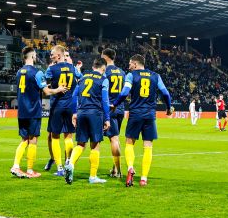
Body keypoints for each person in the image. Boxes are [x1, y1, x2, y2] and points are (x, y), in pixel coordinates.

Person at [112, 54, 172, 187]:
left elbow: (124, 93)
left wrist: (115, 104)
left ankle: (130, 168)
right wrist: (168, 108)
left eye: (129, 64)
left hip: (135, 114)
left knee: (129, 143)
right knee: (148, 146)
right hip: (150, 115)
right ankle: (144, 178)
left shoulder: (131, 75)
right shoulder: (156, 76)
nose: (129, 66)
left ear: (135, 64)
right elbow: (166, 93)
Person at [11, 46, 66, 178]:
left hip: (22, 111)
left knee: (24, 139)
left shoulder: (19, 72)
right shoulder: (37, 72)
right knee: (33, 139)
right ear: (32, 56)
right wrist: (58, 89)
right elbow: (46, 92)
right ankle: (30, 170)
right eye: (35, 55)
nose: (36, 57)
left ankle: (16, 165)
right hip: (33, 110)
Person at [64, 58, 111, 184]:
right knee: (95, 145)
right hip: (95, 113)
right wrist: (107, 118)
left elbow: (74, 96)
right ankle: (93, 176)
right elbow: (105, 101)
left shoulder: (83, 78)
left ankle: (71, 164)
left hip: (81, 112)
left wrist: (74, 113)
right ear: (103, 68)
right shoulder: (103, 79)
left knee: (80, 144)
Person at [43, 45, 83, 176]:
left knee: (54, 136)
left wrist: (52, 86)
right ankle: (68, 163)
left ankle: (59, 168)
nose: (51, 56)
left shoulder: (51, 69)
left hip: (57, 105)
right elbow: (81, 78)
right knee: (69, 136)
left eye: (52, 54)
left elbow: (44, 81)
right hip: (71, 105)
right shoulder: (72, 68)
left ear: (58, 55)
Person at [101, 48, 125, 178]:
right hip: (120, 108)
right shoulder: (121, 72)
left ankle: (118, 171)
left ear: (105, 57)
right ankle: (115, 169)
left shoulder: (105, 72)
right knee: (116, 137)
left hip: (109, 108)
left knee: (113, 139)